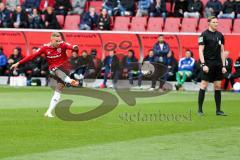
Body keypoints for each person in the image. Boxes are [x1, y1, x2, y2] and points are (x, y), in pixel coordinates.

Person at [10, 32, 79, 118]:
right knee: (55, 70)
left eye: (59, 41)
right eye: (57, 41)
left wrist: (75, 47)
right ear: (52, 40)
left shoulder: (63, 44)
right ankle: (70, 81)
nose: (59, 42)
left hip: (64, 69)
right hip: (53, 69)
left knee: (58, 90)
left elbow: (71, 46)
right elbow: (32, 56)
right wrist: (18, 63)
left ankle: (48, 112)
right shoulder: (45, 48)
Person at [198, 16, 227, 116]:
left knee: (218, 86)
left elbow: (222, 51)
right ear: (209, 23)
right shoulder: (204, 34)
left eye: (217, 22)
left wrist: (223, 65)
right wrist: (203, 64)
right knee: (204, 85)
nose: (216, 24)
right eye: (214, 22)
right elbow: (200, 50)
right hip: (208, 64)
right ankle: (200, 110)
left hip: (218, 64)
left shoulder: (220, 35)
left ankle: (218, 110)